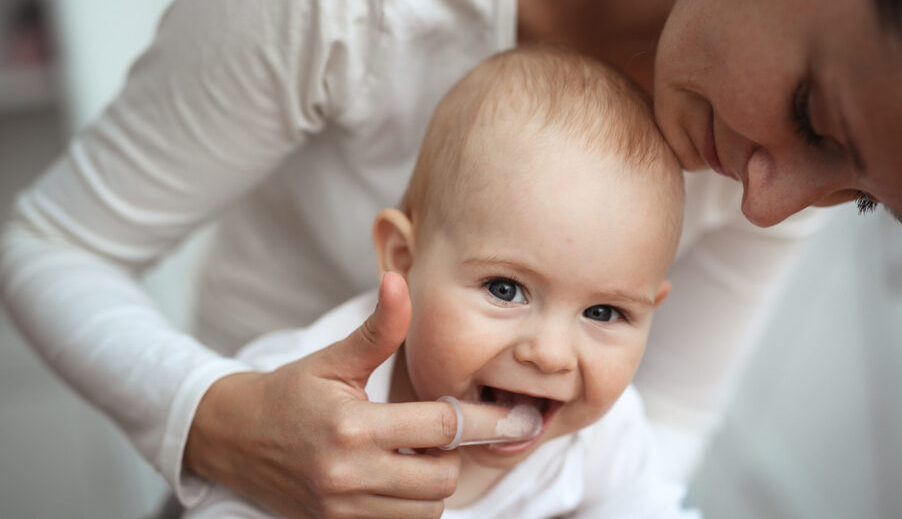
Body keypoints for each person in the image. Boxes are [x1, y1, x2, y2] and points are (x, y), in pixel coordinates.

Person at [0, 0, 902, 517]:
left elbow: (657, 453)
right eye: (816, 116)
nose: (773, 209)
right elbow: (48, 244)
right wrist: (214, 420)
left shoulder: (774, 182)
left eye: (865, 197)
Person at [183, 44, 695, 518]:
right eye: (505, 289)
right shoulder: (301, 405)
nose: (551, 354)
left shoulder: (605, 436)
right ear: (404, 259)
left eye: (604, 313)